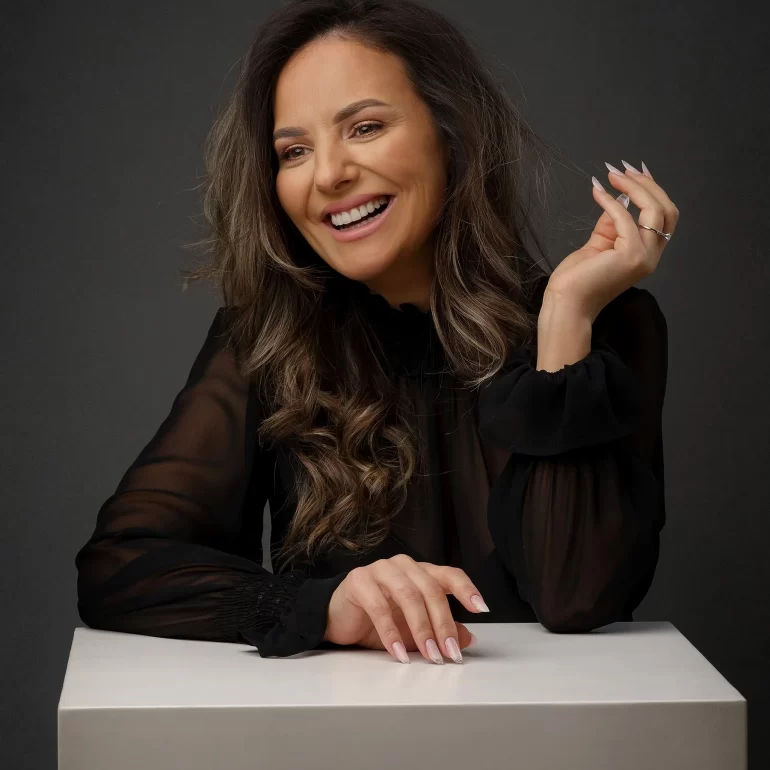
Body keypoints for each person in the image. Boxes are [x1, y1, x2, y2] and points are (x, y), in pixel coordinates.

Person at [76, 0, 676, 665]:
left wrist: (564, 317)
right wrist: (317, 606)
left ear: (450, 133)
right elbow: (119, 565)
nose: (328, 174)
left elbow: (577, 598)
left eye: (364, 127)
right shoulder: (268, 341)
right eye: (294, 150)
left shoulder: (610, 326)